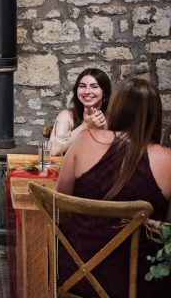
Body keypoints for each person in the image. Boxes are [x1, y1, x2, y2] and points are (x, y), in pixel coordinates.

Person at [56, 77, 171, 297]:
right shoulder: (168, 161)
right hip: (139, 283)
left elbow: (60, 207)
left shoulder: (85, 140)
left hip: (78, 273)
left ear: (116, 107)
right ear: (156, 115)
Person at [48, 68, 111, 156]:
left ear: (104, 92)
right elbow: (53, 150)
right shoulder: (67, 115)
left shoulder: (113, 116)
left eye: (94, 86)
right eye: (82, 86)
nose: (87, 91)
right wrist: (85, 126)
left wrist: (104, 128)